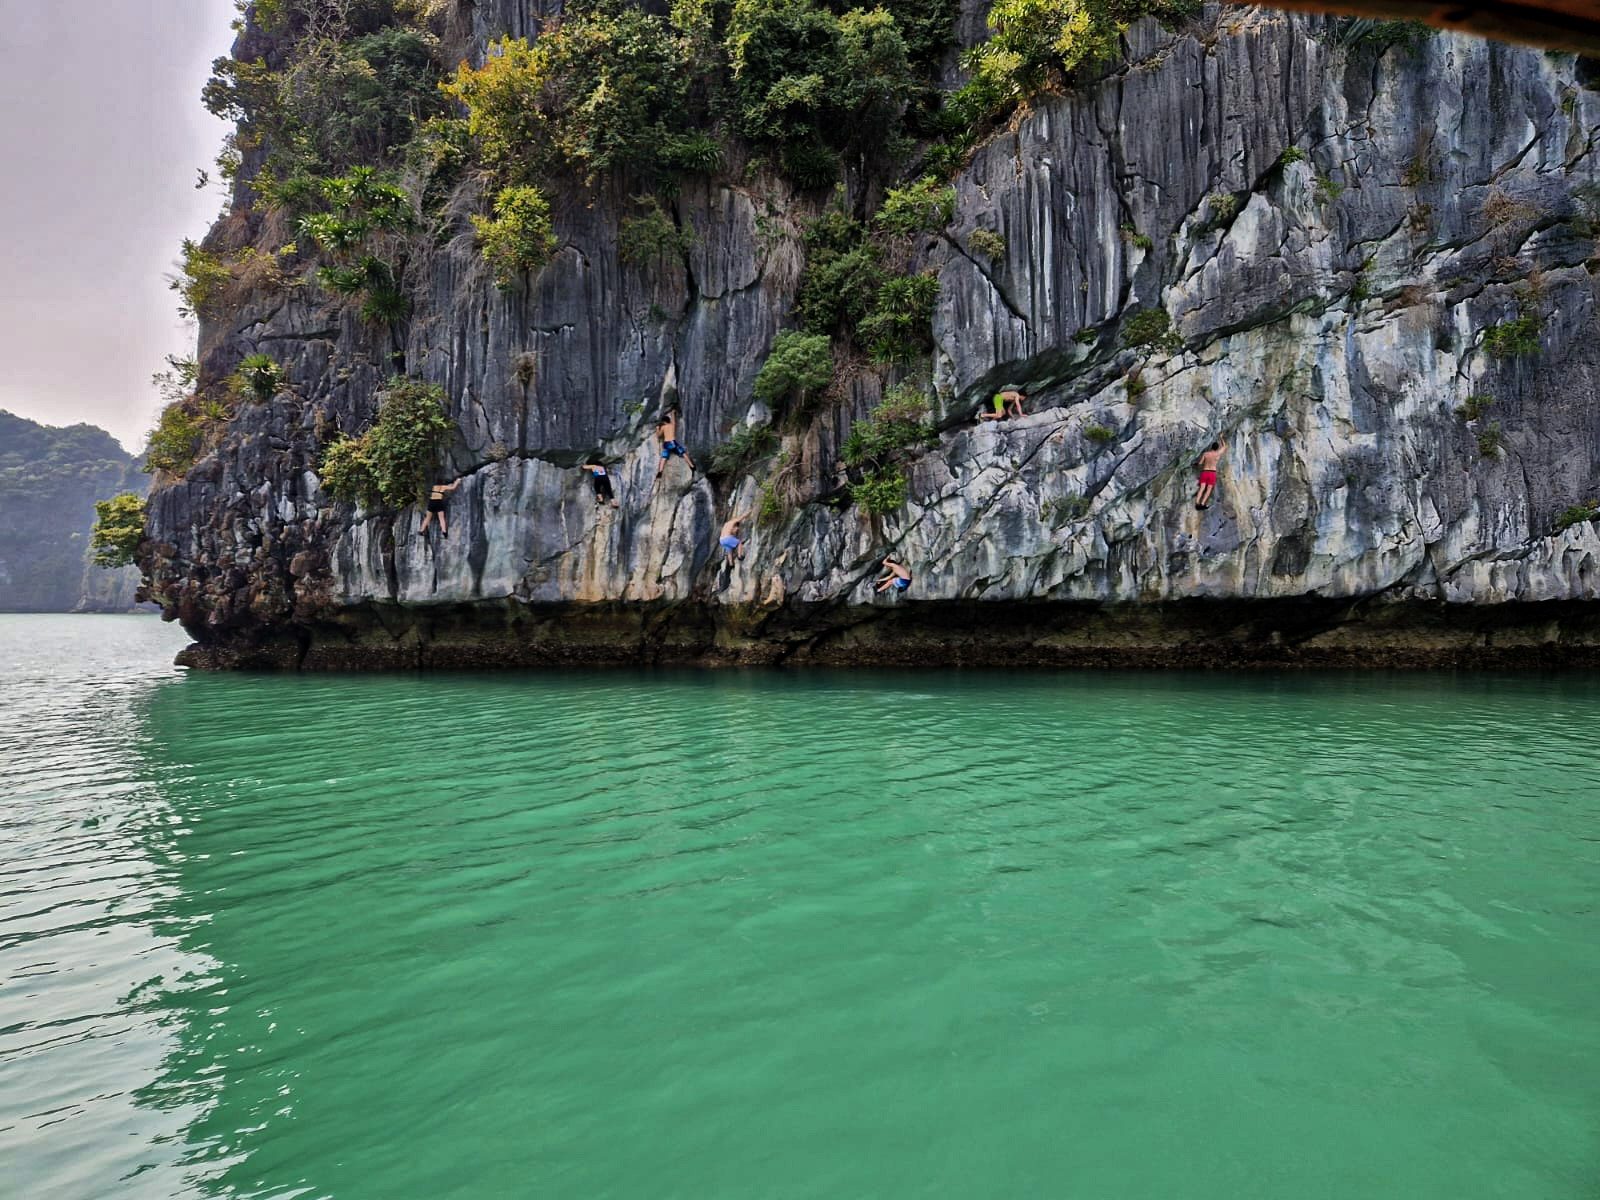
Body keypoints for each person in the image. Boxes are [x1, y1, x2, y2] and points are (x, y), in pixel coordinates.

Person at [654, 410, 696, 486]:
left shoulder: (663, 427)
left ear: (664, 422)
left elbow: (658, 435)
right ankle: (692, 466)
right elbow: (673, 419)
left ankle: (660, 472)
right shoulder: (672, 425)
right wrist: (673, 413)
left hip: (667, 443)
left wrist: (657, 428)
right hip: (673, 443)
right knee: (683, 453)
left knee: (663, 458)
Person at [1195, 437, 1227, 510]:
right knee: (1209, 489)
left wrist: (1196, 464)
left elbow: (1200, 463)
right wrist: (1221, 437)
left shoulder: (1206, 454)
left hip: (1205, 472)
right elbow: (1224, 446)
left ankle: (1197, 503)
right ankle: (1202, 504)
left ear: (1211, 447)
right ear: (1217, 448)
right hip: (1212, 473)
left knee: (1202, 488)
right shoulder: (1218, 454)